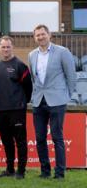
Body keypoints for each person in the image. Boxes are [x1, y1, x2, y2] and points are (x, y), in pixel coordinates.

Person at [28, 24, 76, 179]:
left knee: (57, 137)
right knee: (40, 138)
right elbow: (33, 78)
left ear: (49, 35)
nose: (40, 37)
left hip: (57, 101)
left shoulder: (63, 52)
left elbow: (71, 76)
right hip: (39, 101)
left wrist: (66, 96)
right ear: (35, 38)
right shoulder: (32, 55)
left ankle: (60, 173)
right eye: (37, 35)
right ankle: (45, 171)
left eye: (43, 34)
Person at [0, 36, 32, 180]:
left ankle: (21, 171)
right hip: (1, 110)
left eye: (8, 46)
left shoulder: (20, 65)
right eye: (3, 47)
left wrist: (22, 102)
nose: (6, 49)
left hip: (17, 109)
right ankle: (9, 169)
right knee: (7, 141)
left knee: (20, 141)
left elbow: (28, 87)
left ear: (12, 47)